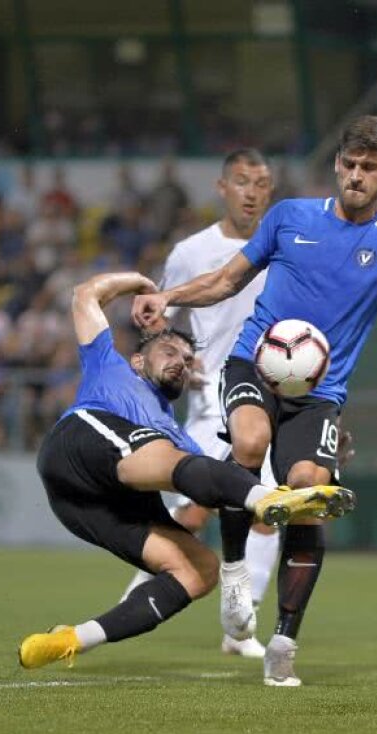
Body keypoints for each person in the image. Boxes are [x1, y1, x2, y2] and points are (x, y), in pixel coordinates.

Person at [132, 115, 377, 686]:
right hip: (253, 363)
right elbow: (227, 280)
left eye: (369, 168)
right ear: (337, 165)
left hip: (318, 394)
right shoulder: (288, 218)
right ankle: (233, 571)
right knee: (250, 442)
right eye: (349, 164)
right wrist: (168, 295)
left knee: (307, 490)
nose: (356, 176)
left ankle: (284, 636)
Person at [17, 271, 352, 670]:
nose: (181, 362)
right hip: (78, 448)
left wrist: (315, 458)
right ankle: (270, 500)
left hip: (87, 506)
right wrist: (140, 282)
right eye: (170, 352)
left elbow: (216, 484)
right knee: (176, 460)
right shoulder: (108, 363)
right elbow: (85, 293)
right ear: (138, 359)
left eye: (188, 360)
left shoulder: (176, 438)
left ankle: (72, 639)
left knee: (200, 570)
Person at [119, 148, 281, 659]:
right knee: (194, 510)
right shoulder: (192, 252)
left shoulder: (283, 247)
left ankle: (240, 625)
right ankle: (136, 596)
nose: (252, 192)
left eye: (261, 183)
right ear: (222, 187)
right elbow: (164, 326)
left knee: (268, 511)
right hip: (214, 397)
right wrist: (177, 368)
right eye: (242, 181)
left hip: (270, 397)